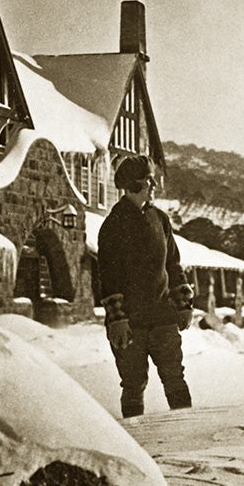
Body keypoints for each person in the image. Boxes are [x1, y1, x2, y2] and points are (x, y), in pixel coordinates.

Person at [97, 155, 195, 418]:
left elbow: (173, 265)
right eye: (147, 180)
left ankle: (188, 432)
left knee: (175, 379)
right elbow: (108, 277)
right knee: (133, 385)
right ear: (131, 186)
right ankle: (139, 444)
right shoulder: (112, 225)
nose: (153, 185)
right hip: (130, 324)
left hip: (163, 317)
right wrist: (117, 319)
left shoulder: (160, 219)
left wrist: (184, 304)